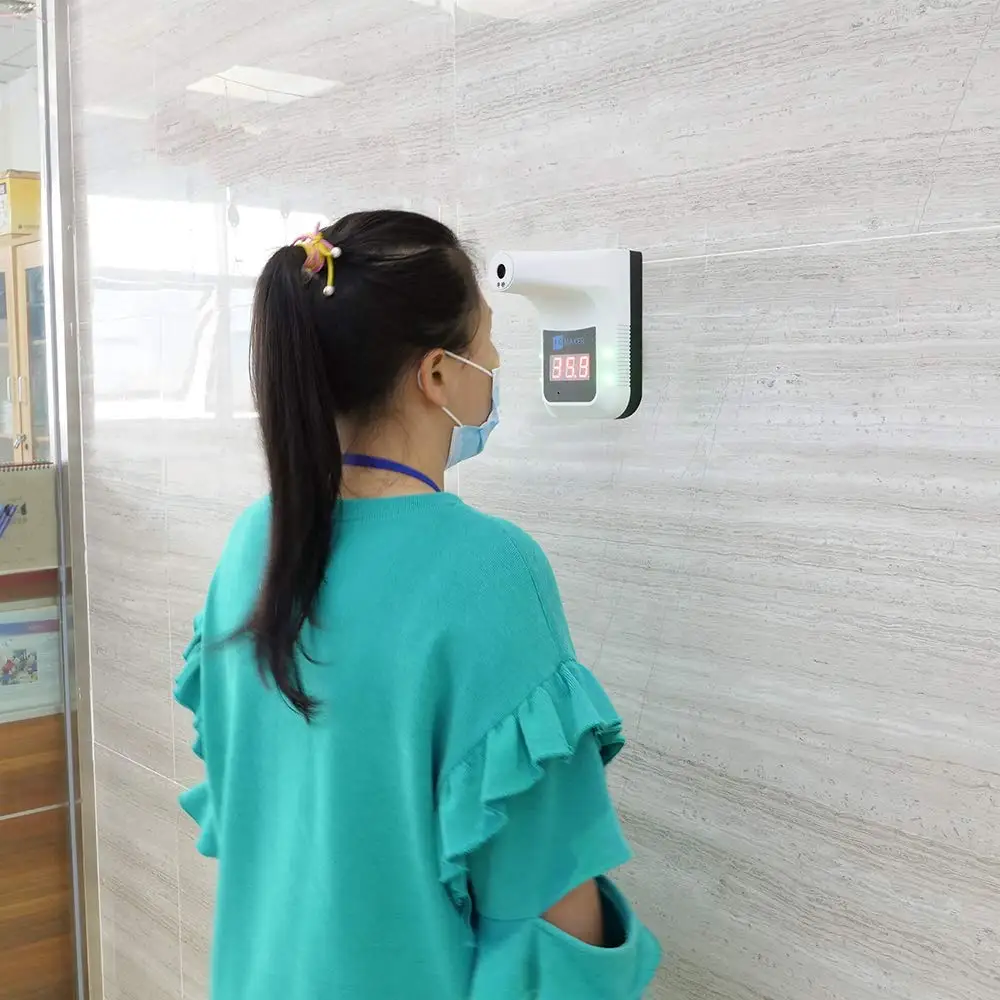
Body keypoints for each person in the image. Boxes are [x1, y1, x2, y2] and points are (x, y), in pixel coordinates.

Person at [174, 210, 660, 999]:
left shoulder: (252, 545)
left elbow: (262, 817)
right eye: (487, 341)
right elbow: (551, 907)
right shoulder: (489, 570)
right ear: (437, 375)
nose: (495, 363)